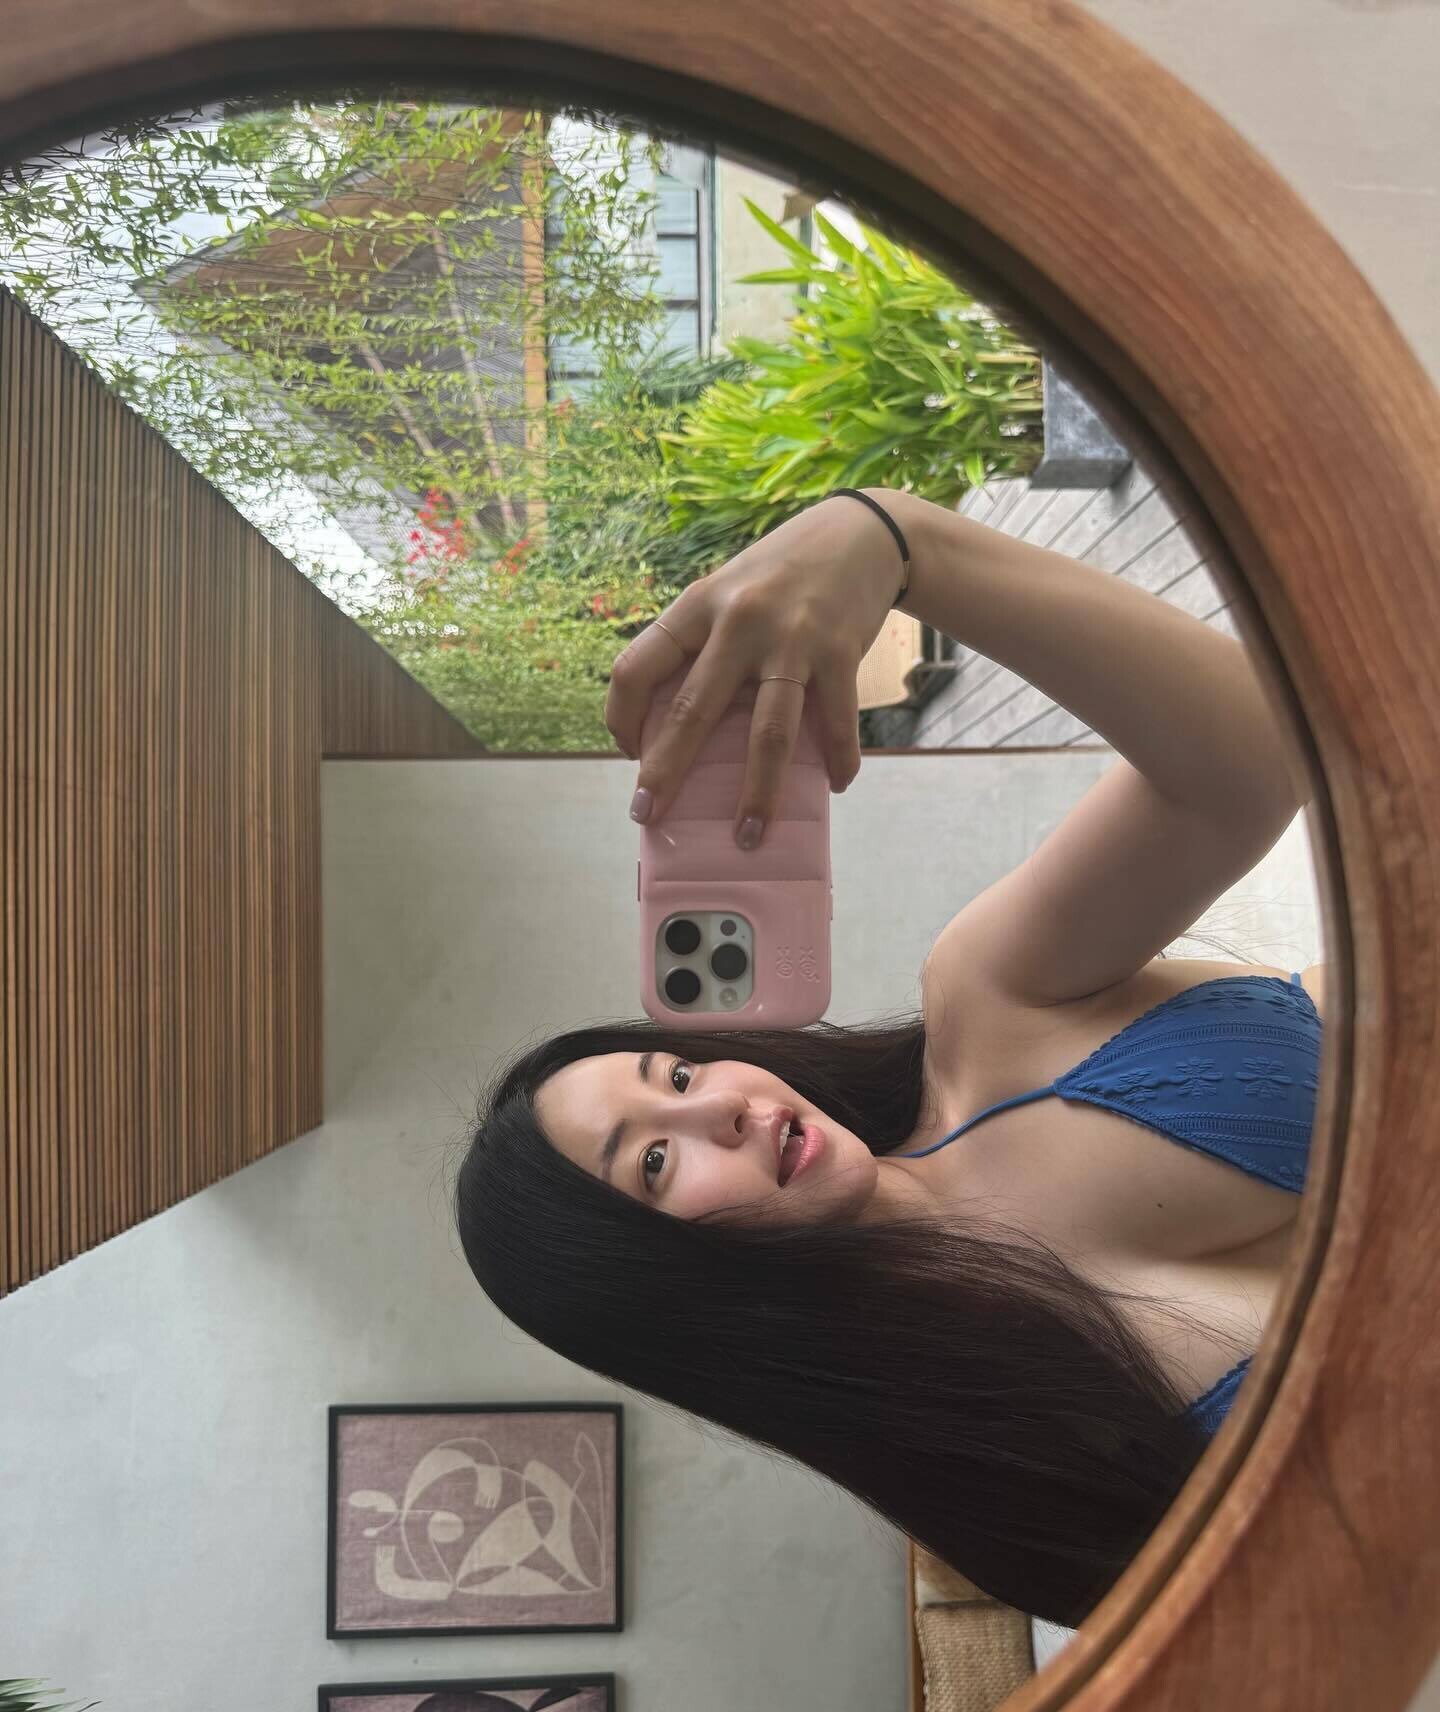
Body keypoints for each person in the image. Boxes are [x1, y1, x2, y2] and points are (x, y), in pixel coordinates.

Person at [453, 487, 1323, 1628]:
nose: (717, 1109)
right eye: (654, 1164)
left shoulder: (991, 999)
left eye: (677, 1076)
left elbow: (1248, 762)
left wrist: (895, 541)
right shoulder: (1003, 1477)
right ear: (667, 1290)